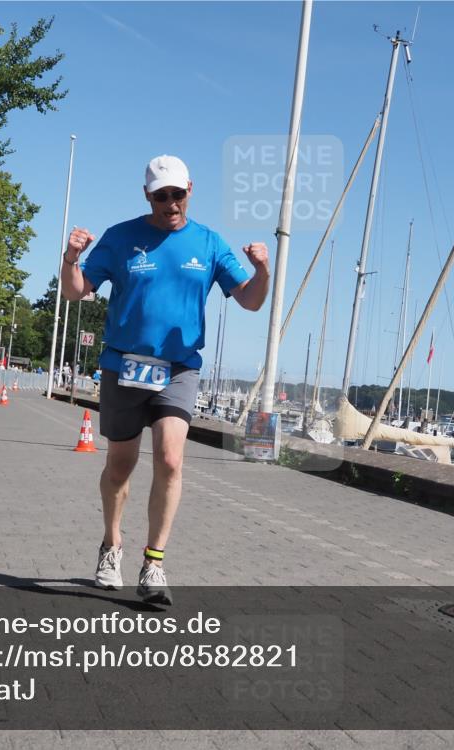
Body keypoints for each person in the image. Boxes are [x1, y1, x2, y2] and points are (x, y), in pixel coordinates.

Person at [60, 154, 270, 604]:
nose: (170, 203)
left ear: (190, 189)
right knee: (120, 465)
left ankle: (154, 562)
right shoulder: (120, 238)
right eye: (161, 196)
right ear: (148, 195)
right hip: (124, 366)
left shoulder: (209, 243)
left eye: (177, 194)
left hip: (179, 368)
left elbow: (250, 302)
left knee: (171, 460)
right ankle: (111, 545)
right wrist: (71, 259)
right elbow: (78, 291)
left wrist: (263, 272)